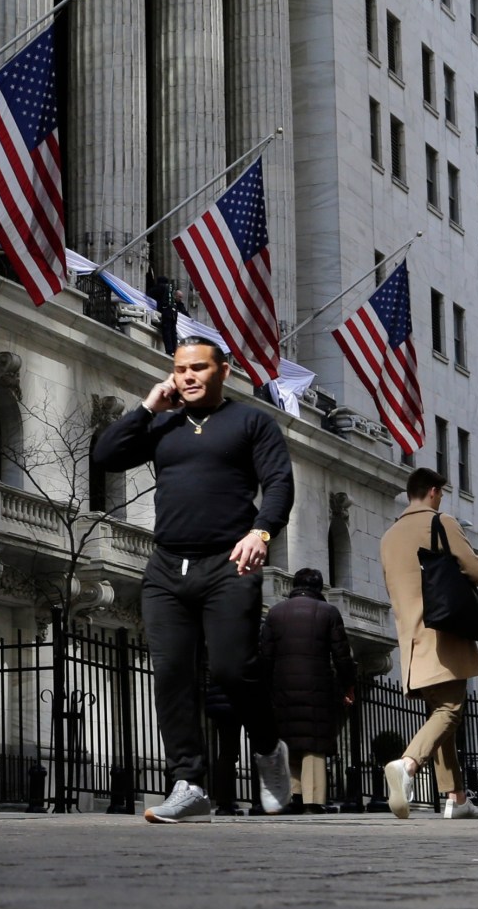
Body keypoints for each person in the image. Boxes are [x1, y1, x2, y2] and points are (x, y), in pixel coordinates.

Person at [92, 340, 296, 823]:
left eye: (198, 368)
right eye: (180, 369)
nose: (186, 376)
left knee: (231, 671)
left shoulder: (251, 422)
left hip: (228, 564)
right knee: (170, 676)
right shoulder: (162, 423)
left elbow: (280, 483)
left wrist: (261, 532)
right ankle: (189, 783)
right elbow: (106, 454)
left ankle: (268, 748)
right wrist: (147, 406)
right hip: (166, 567)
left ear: (223, 371)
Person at [380, 467, 478, 820]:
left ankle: (457, 799)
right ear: (432, 491)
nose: (441, 497)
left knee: (440, 713)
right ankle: (408, 765)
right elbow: (474, 572)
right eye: (441, 492)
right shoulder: (441, 521)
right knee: (451, 710)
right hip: (443, 631)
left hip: (411, 636)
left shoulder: (388, 536)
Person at [257, 567, 356, 814]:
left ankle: (294, 797)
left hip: (282, 685)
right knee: (314, 743)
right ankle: (314, 800)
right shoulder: (329, 612)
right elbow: (342, 655)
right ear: (319, 588)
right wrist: (348, 685)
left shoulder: (276, 613)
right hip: (318, 686)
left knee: (289, 738)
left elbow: (265, 656)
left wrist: (265, 687)